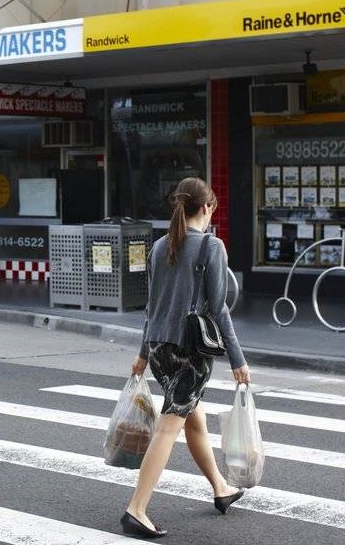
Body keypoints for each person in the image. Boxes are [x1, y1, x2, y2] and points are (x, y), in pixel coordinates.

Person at [122, 177, 250, 539]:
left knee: (194, 420)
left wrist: (143, 354)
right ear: (206, 207)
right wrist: (238, 359)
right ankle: (136, 510)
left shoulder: (159, 246)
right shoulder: (212, 246)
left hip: (160, 349)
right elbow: (219, 310)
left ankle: (221, 488)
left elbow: (152, 307)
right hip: (189, 353)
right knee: (169, 427)